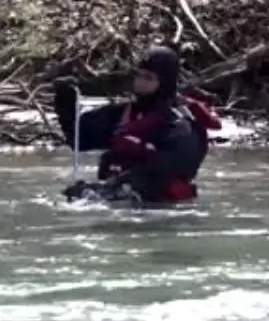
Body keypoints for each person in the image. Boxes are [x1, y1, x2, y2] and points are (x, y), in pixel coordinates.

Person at [54, 45, 221, 204]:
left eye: (148, 78)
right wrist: (65, 102)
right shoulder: (124, 113)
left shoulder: (180, 125)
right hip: (119, 198)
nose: (140, 82)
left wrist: (108, 190)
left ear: (165, 82)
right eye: (139, 75)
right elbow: (79, 139)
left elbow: (166, 170)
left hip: (162, 209)